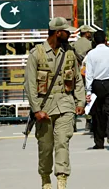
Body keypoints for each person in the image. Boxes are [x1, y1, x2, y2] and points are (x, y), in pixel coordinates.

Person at [24, 17, 86, 189]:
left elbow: (77, 79)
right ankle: (45, 176)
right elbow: (29, 85)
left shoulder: (70, 53)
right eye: (67, 31)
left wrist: (80, 101)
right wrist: (36, 110)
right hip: (44, 108)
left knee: (62, 142)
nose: (70, 34)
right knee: (45, 147)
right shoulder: (36, 54)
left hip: (65, 104)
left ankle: (62, 178)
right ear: (58, 33)